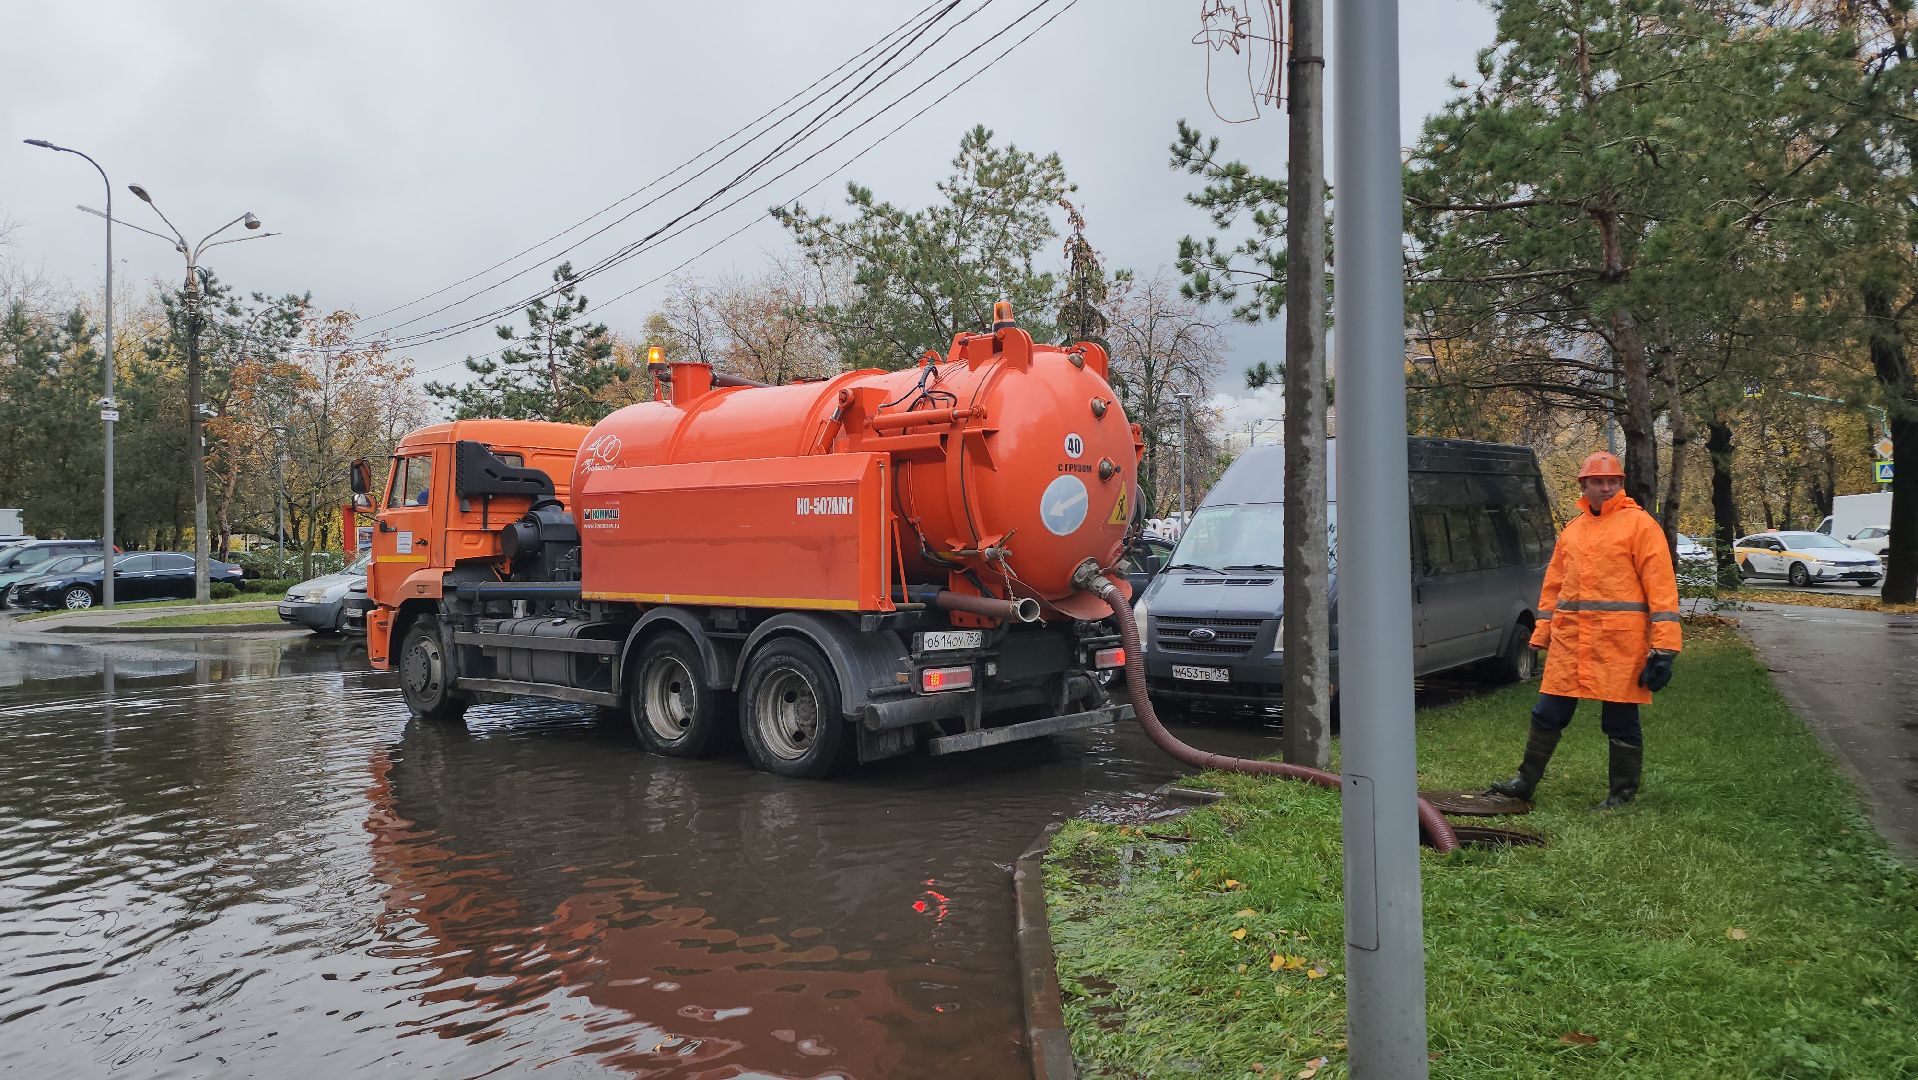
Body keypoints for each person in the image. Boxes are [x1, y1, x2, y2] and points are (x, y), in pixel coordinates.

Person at [1488, 451, 1681, 810]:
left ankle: (1621, 797)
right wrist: (1541, 635)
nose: (1606, 488)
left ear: (1621, 484)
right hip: (1571, 643)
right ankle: (1524, 782)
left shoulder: (1640, 527)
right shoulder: (1573, 532)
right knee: (1547, 712)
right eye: (1598, 481)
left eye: (1613, 482)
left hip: (1619, 644)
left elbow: (1662, 588)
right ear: (1584, 485)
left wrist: (1665, 649)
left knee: (1620, 720)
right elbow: (1553, 589)